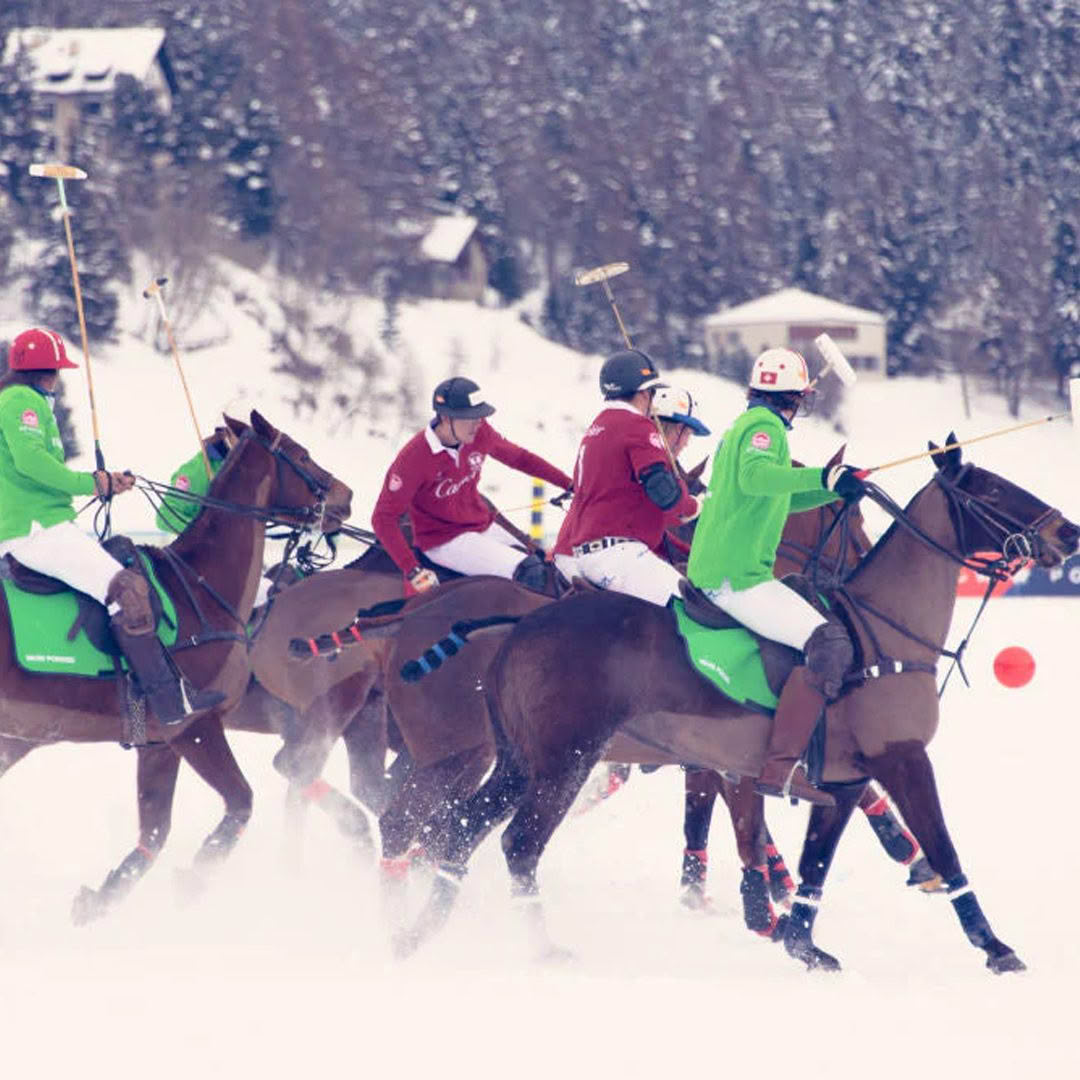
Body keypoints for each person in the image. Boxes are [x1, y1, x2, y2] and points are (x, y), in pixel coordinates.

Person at [0, 327, 223, 724]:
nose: (57, 379)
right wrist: (92, 482)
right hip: (34, 529)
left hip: (45, 524)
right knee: (129, 589)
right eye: (56, 371)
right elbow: (31, 463)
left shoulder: (24, 399)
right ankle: (168, 702)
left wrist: (105, 483)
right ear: (45, 372)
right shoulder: (21, 401)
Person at [687, 347, 867, 806]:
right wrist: (826, 478)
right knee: (830, 642)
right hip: (736, 578)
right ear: (794, 398)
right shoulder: (764, 429)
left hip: (727, 572)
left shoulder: (745, 426)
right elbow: (757, 479)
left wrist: (833, 493)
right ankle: (782, 767)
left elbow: (776, 496)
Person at [372, 376, 573, 594]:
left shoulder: (479, 432)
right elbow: (382, 518)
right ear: (446, 418)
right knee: (531, 574)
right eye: (470, 418)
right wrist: (412, 570)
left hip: (481, 526)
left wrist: (568, 484)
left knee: (545, 565)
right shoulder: (413, 458)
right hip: (444, 541)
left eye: (480, 416)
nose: (478, 423)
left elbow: (519, 458)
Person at [550, 351, 704, 606]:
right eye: (652, 393)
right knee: (691, 607)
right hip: (619, 554)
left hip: (587, 552)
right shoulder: (638, 427)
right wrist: (695, 506)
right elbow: (664, 493)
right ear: (643, 393)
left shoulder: (596, 427)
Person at [155, 426, 234, 533]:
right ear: (226, 435)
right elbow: (164, 518)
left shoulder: (235, 467)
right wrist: (202, 530)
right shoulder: (198, 471)